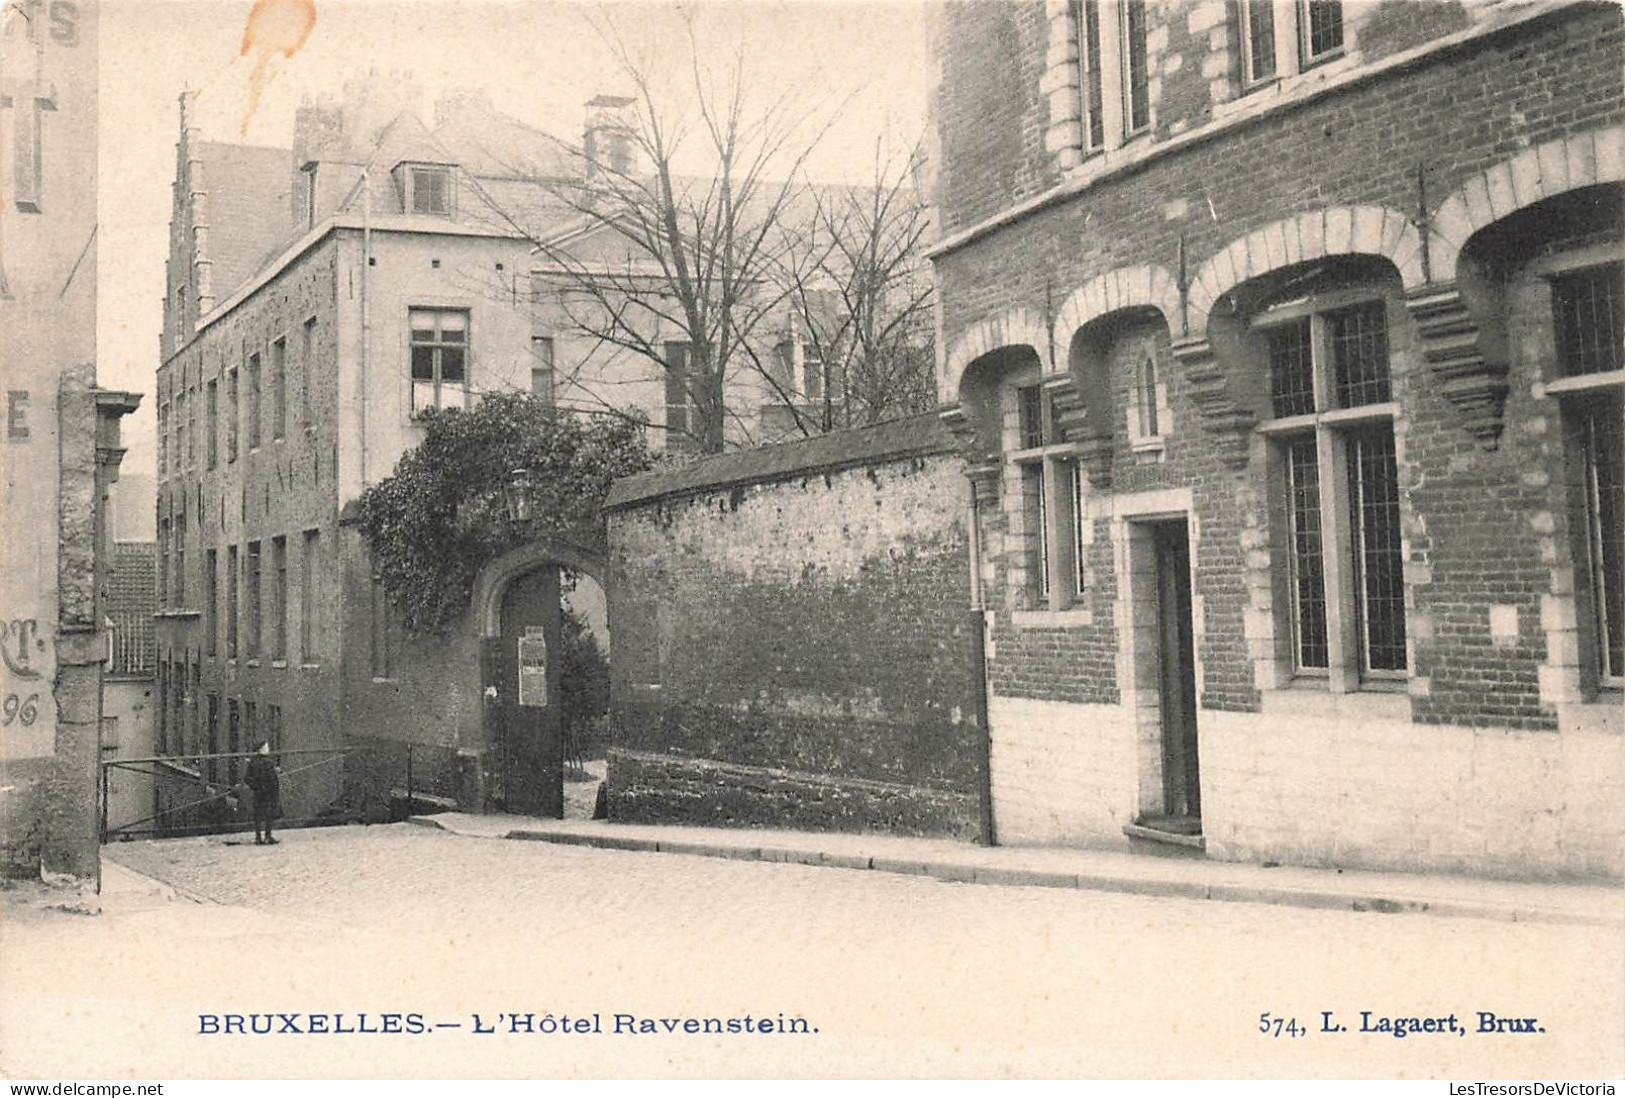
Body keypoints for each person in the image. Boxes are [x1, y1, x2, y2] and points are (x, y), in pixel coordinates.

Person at [244, 743, 281, 845]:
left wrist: (255, 787)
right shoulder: (269, 762)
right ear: (261, 749)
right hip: (269, 792)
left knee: (258, 814)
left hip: (258, 792)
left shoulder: (253, 762)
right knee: (269, 814)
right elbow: (273, 780)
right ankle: (268, 836)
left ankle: (258, 837)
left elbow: (247, 778)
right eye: (266, 747)